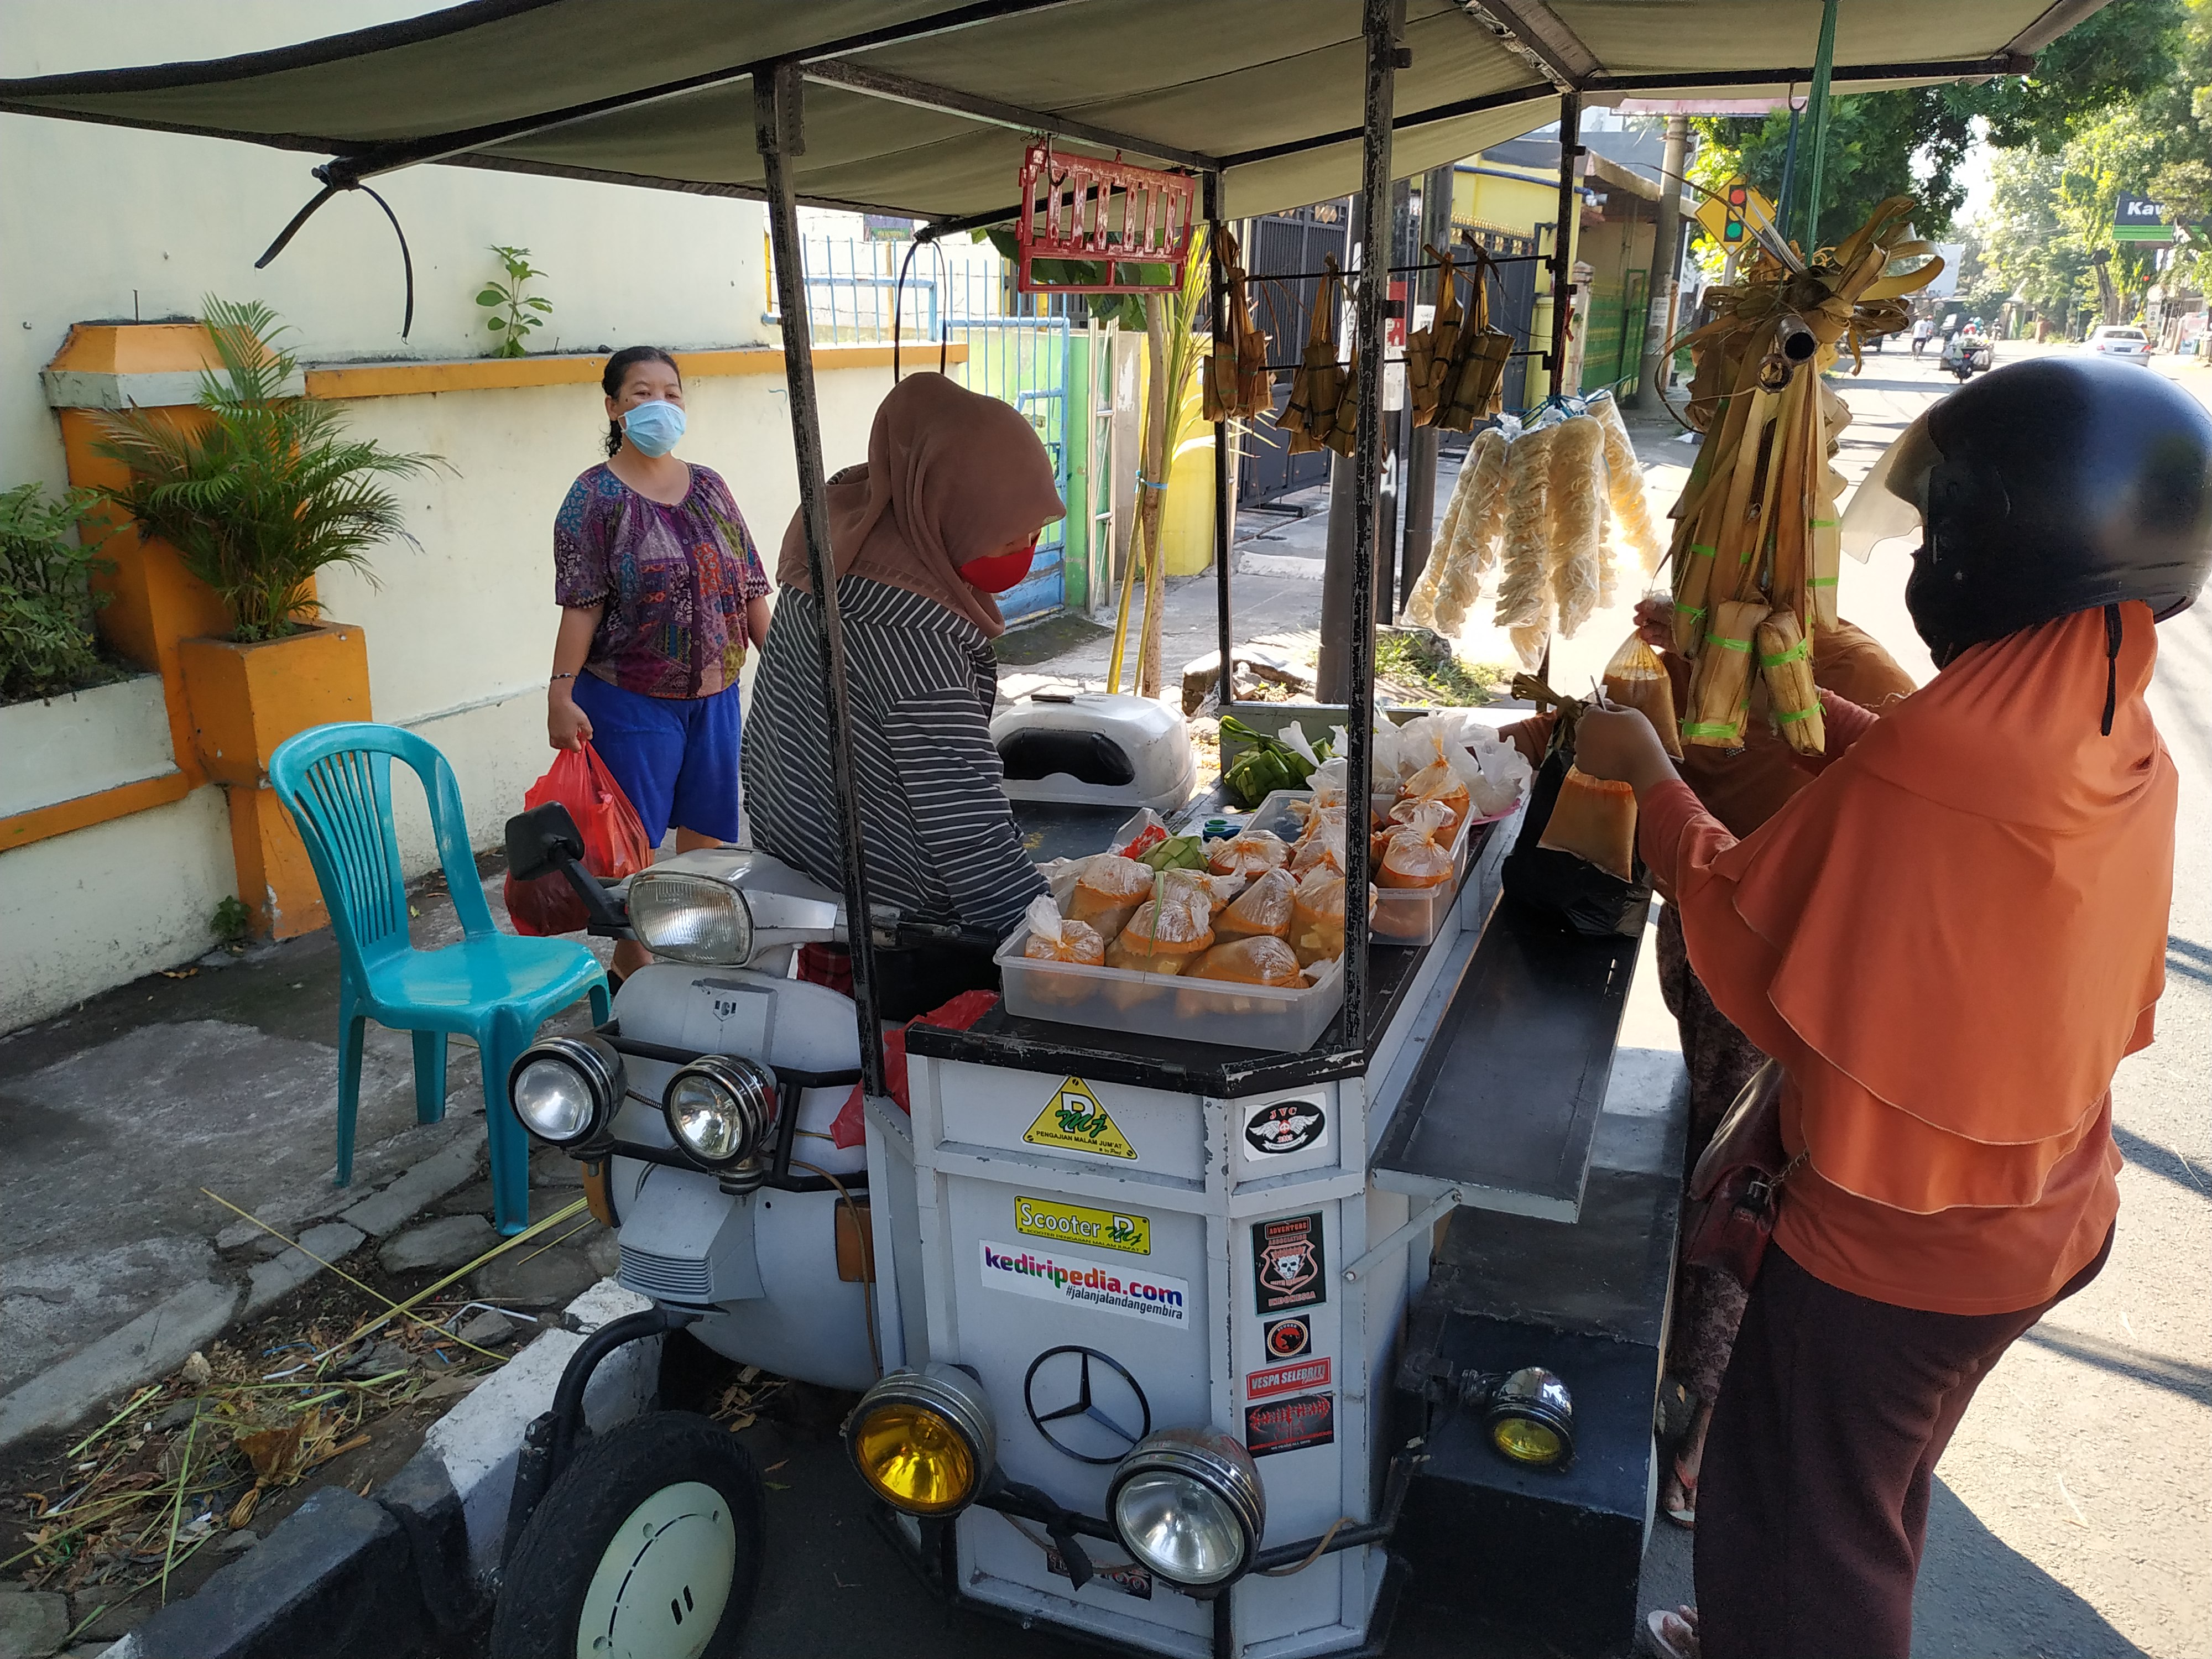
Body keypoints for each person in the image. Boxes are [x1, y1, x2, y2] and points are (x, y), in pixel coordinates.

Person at [1582, 355, 2212, 1659]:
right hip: (2038, 1204)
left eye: (1939, 531)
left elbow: (1746, 908)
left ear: (2010, 542)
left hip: (1899, 1240)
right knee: (1868, 1488)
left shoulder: (1955, 753)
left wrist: (1645, 771)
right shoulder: (2102, 700)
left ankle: (1786, 1629)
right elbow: (1949, 787)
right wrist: (1818, 710)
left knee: (1800, 1511)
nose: (1921, 558)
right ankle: (1769, 1626)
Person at [742, 373, 1064, 1003]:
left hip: (804, 860)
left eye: (1034, 536)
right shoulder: (913, 628)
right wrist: (1050, 939)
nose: (1023, 555)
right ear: (944, 503)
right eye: (1008, 537)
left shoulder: (837, 543)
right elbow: (962, 825)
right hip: (900, 923)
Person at [549, 346, 772, 982]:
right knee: (634, 850)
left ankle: (682, 957)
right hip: (628, 698)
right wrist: (560, 695)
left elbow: (750, 588)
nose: (660, 405)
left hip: (716, 696)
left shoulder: (710, 487)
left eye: (671, 393)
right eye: (642, 393)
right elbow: (581, 604)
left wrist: (783, 671)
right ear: (614, 407)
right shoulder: (592, 497)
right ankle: (638, 972)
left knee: (705, 840)